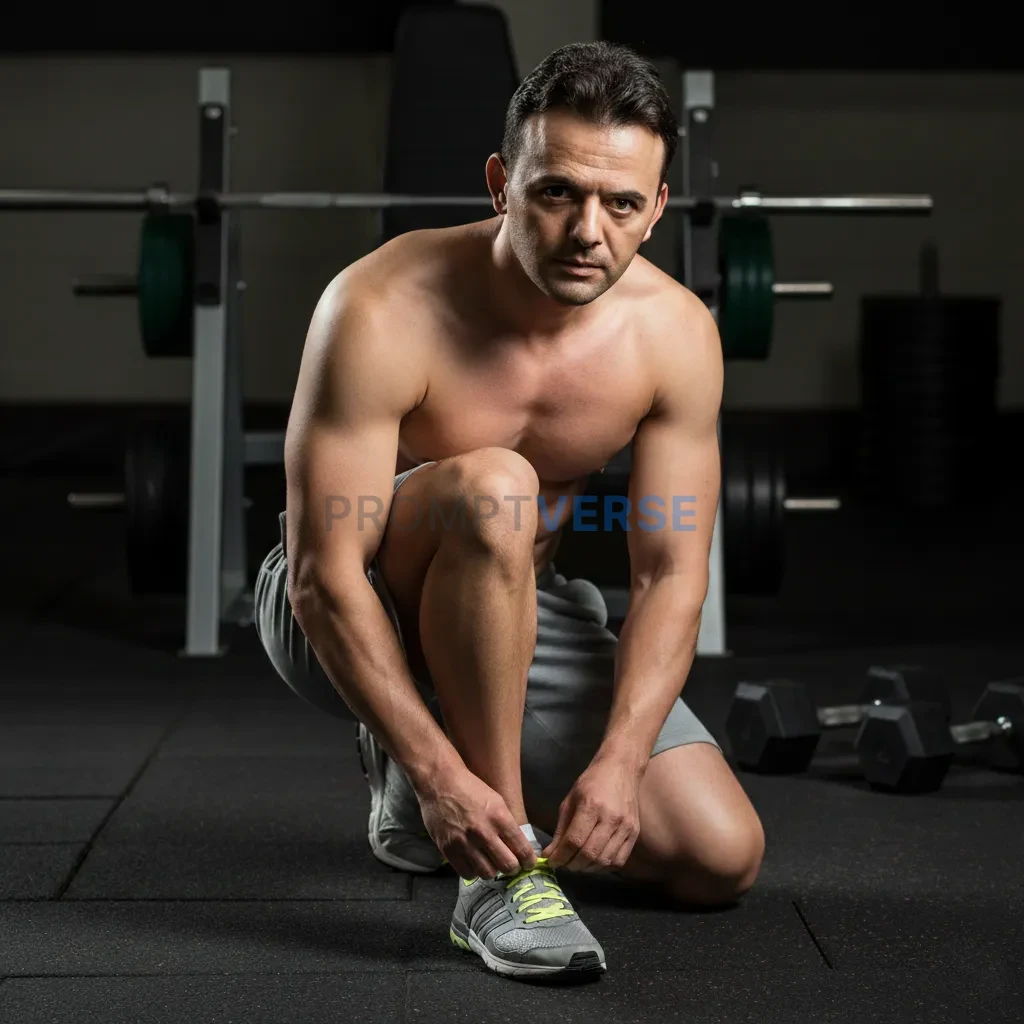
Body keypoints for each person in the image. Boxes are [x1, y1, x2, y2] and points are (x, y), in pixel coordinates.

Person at [255, 40, 765, 980]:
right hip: (341, 600)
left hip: (517, 602)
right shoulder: (378, 305)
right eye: (557, 193)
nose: (587, 232)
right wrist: (441, 779)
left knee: (717, 857)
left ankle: (456, 777)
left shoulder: (676, 335)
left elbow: (669, 573)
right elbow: (324, 577)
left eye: (621, 204)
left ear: (657, 208)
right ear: (501, 184)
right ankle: (491, 874)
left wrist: (621, 761)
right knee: (498, 487)